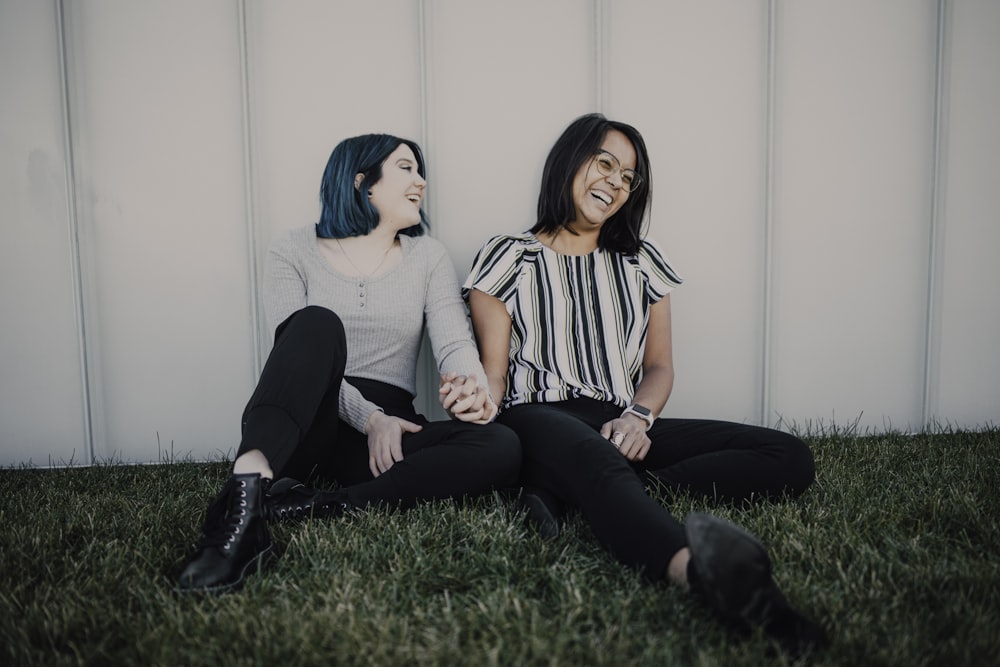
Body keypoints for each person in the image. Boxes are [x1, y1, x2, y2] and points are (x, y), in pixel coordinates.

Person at [463, 113, 827, 655]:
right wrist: (475, 399)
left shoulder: (642, 261)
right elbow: (494, 373)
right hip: (539, 417)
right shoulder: (507, 256)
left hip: (616, 418)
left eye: (628, 177)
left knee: (787, 455)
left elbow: (659, 367)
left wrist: (638, 416)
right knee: (598, 462)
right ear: (570, 161)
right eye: (604, 163)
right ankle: (705, 578)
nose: (614, 182)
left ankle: (586, 497)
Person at [178, 133, 519, 594]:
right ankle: (240, 514)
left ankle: (318, 505)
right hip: (309, 422)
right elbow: (291, 353)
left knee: (501, 444)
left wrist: (471, 387)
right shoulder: (292, 250)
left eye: (421, 172)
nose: (421, 181)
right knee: (315, 324)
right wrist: (370, 418)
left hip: (388, 439)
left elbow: (455, 341)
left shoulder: (428, 256)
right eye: (406, 169)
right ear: (363, 181)